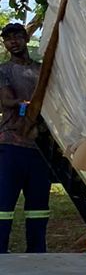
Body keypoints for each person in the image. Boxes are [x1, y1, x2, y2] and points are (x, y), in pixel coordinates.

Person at [0, 21, 52, 254]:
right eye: (8, 38)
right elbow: (6, 100)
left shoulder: (42, 70)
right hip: (11, 144)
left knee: (38, 207)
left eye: (17, 36)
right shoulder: (4, 70)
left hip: (39, 146)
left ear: (26, 38)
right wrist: (26, 105)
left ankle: (37, 253)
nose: (13, 42)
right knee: (4, 205)